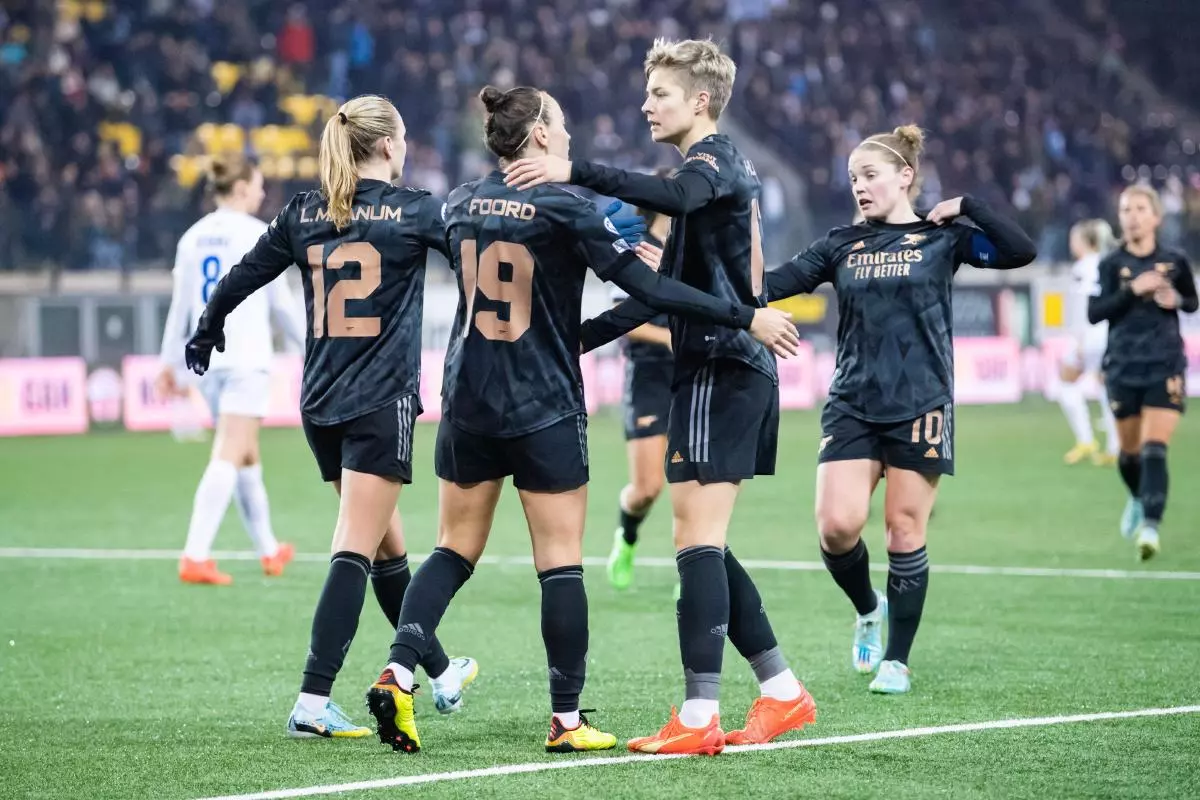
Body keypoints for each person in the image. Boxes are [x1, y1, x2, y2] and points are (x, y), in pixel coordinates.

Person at [364, 83, 799, 755]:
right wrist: (747, 314)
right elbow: (649, 291)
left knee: (453, 548)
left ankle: (397, 674)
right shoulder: (567, 206)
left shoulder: (456, 202)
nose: (567, 134)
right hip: (542, 402)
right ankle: (566, 721)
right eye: (559, 124)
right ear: (539, 133)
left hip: (469, 397)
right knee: (560, 563)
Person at [505, 38, 817, 755]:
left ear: (699, 102)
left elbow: (673, 197)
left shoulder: (711, 165)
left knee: (696, 541)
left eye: (661, 95)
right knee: (703, 539)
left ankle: (701, 717)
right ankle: (780, 691)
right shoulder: (703, 181)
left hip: (725, 367)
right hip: (711, 366)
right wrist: (568, 340)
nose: (646, 104)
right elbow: (651, 297)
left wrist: (573, 170)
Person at [183, 95, 477, 739]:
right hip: (380, 402)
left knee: (386, 546)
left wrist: (207, 329)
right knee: (355, 545)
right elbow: (479, 262)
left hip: (319, 402)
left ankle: (440, 672)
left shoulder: (303, 210)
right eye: (403, 136)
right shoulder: (416, 211)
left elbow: (242, 276)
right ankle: (312, 700)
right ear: (391, 145)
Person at [763, 125, 1037, 695]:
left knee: (903, 529)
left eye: (869, 175)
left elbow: (1019, 249)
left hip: (921, 402)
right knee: (837, 528)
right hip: (853, 402)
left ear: (905, 176)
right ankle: (868, 605)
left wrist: (968, 206)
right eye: (853, 179)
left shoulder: (946, 239)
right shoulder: (840, 244)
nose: (859, 187)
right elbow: (768, 286)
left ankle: (897, 660)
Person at [157, 154, 303, 585]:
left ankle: (268, 549)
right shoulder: (259, 234)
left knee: (245, 454)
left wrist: (169, 362)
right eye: (257, 185)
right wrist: (313, 351)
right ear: (240, 189)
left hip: (209, 362)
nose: (261, 193)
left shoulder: (192, 237)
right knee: (229, 451)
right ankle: (195, 555)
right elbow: (282, 306)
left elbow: (180, 308)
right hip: (247, 357)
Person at [1088, 184, 1197, 561]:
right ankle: (1136, 498)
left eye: (1139, 209)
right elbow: (1095, 312)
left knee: (1154, 450)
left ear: (1155, 217)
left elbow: (1191, 301)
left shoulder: (1174, 260)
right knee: (1129, 454)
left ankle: (1150, 526)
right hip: (1122, 366)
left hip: (1165, 364)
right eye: (1125, 209)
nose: (1131, 216)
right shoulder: (1109, 264)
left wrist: (1176, 299)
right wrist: (1133, 290)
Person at [607, 173, 675, 592]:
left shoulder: (695, 244)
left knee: (695, 480)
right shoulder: (637, 245)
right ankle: (626, 536)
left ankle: (694, 567)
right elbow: (622, 319)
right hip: (649, 374)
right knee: (648, 488)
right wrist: (670, 337)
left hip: (692, 373)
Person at [1058, 219, 1120, 466]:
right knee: (1107, 388)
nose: (1071, 243)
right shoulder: (1107, 264)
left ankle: (1086, 440)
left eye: (1074, 238)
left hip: (1090, 335)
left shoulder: (1083, 267)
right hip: (1108, 333)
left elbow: (1084, 307)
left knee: (1066, 381)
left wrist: (1080, 340)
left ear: (1085, 241)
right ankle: (1114, 447)